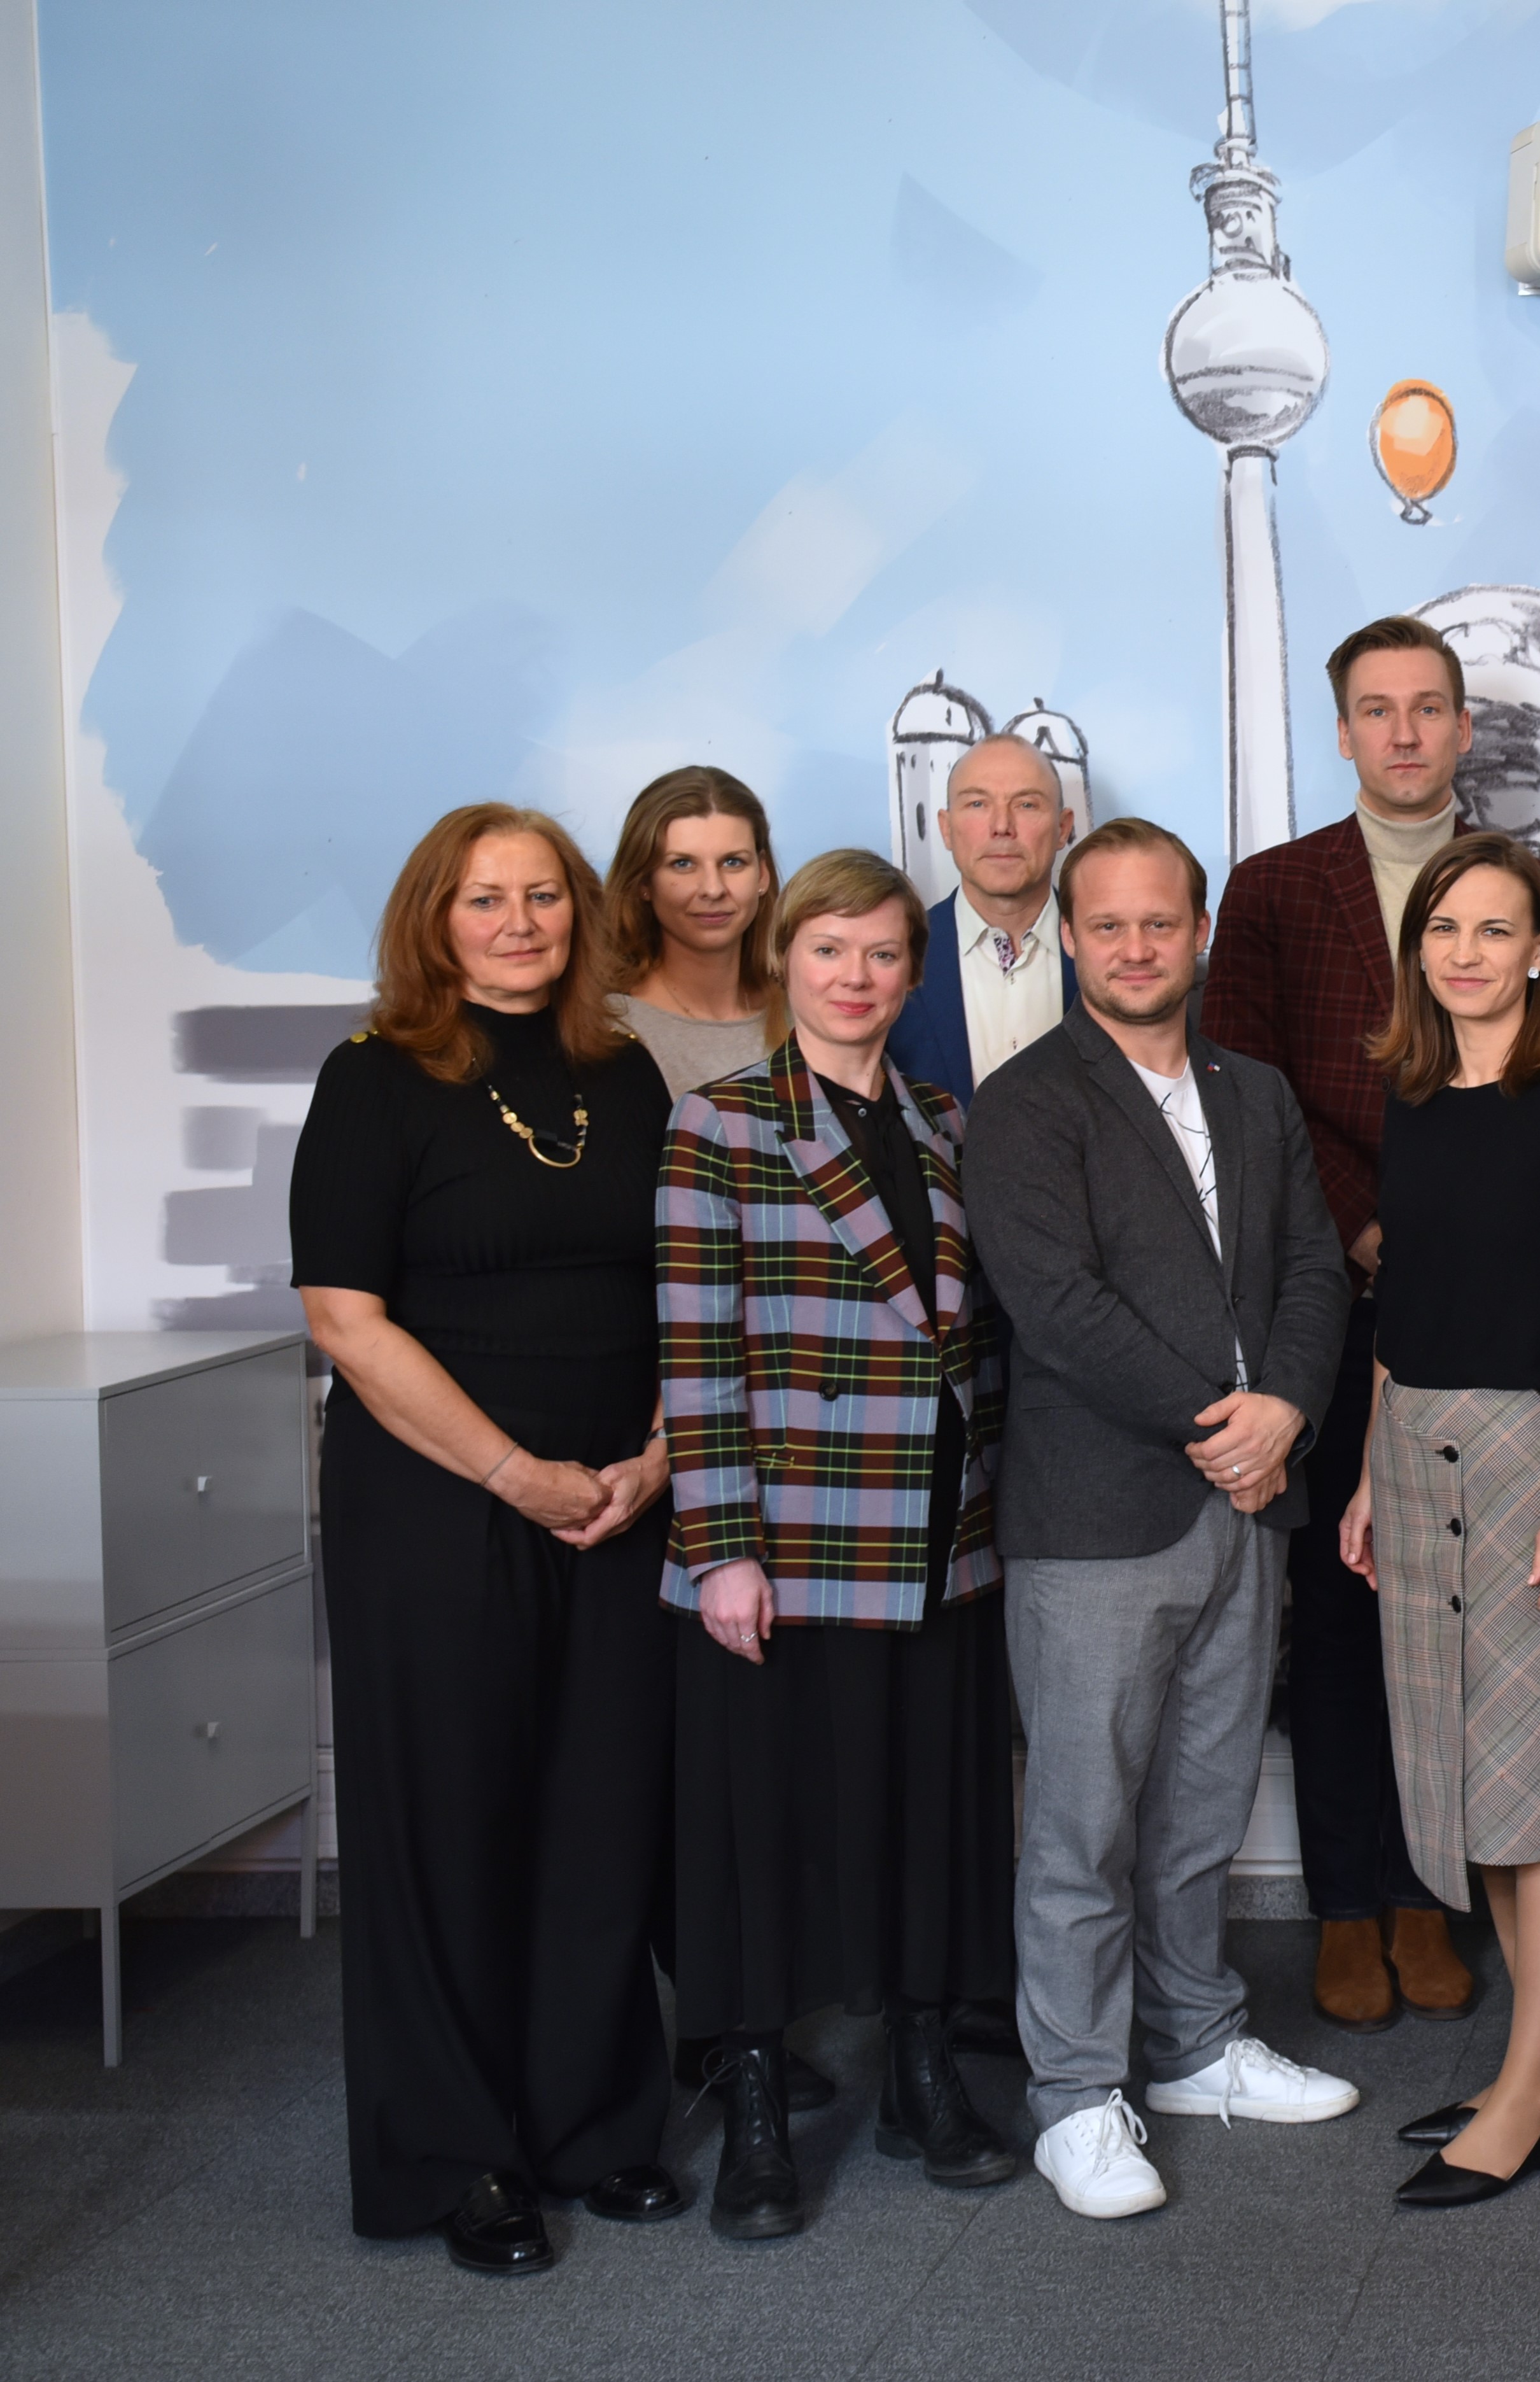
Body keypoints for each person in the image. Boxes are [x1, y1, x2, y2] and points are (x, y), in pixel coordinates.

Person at [291, 803, 682, 2274]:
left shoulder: (623, 1070)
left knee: (601, 1812)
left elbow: (684, 1278)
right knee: (449, 1822)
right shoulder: (372, 1079)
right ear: (433, 919)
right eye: (483, 897)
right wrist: (516, 1473)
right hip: (439, 1501)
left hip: (617, 1500)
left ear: (581, 913)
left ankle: (590, 2122)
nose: (518, 922)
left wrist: (654, 1456)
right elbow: (346, 1319)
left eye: (543, 895)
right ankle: (459, 2152)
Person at [962, 818, 1362, 2225]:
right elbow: (1057, 1306)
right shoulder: (1026, 1102)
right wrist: (1225, 1424)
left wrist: (1287, 1411)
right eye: (1108, 924)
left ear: (1198, 933)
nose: (1136, 947)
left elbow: (1314, 1267)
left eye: (1160, 922)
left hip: (1250, 1505)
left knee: (1203, 1805)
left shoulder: (1255, 1091)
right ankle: (1075, 2093)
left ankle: (1193, 2043)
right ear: (1069, 939)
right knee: (1081, 1824)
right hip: (1101, 1515)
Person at [1203, 615, 1540, 2032]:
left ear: (1464, 728)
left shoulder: (1528, 883)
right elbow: (1246, 1090)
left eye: (1429, 708)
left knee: (1461, 1619)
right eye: (1377, 709)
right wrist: (1365, 1224)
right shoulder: (1273, 889)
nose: (1405, 732)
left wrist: (1462, 1234)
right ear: (1344, 729)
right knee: (1348, 1618)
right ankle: (1347, 1904)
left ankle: (1433, 1893)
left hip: (1490, 1308)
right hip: (1334, 1298)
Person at [657, 849, 1023, 2240]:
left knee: (930, 1817)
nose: (854, 976)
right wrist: (722, 1549)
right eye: (827, 949)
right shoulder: (719, 1121)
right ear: (784, 961)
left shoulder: (943, 1119)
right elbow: (697, 1352)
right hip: (788, 1540)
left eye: (880, 952)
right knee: (764, 1831)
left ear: (912, 974)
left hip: (937, 1533)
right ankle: (753, 2098)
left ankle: (922, 2074)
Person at [1337, 833, 1540, 2208]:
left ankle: (1525, 2095)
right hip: (1414, 1457)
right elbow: (1400, 1300)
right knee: (1470, 1785)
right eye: (1442, 927)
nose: (1464, 951)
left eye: (1493, 928)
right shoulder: (1413, 1097)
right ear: (1419, 950)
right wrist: (1369, 1470)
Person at [884, 731, 1081, 1106]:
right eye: (977, 804)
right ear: (946, 828)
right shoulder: (897, 955)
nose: (1002, 826)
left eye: (1026, 805)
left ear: (1063, 828)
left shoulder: (1110, 954)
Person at [601, 765, 781, 1098]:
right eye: (683, 864)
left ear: (762, 874)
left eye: (733, 862)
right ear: (644, 882)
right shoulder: (610, 1027)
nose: (713, 889)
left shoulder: (807, 1011)